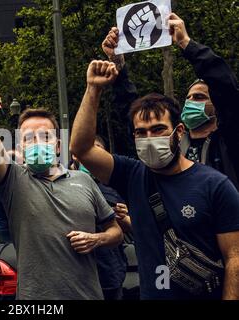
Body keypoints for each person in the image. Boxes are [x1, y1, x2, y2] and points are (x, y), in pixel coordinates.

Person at [70, 59, 239, 300]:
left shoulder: (215, 186)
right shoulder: (132, 175)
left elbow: (235, 257)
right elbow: (81, 148)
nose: (149, 138)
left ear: (179, 132)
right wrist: (93, 89)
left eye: (158, 129)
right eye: (141, 132)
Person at [0, 43, 124, 300]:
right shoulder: (14, 181)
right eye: (29, 138)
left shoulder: (84, 181)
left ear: (57, 145)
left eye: (44, 136)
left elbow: (116, 232)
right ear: (19, 145)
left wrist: (96, 239)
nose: (37, 142)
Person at [102, 13, 239, 189]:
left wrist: (186, 44)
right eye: (188, 97)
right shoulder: (171, 145)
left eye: (199, 97)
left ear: (217, 106)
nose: (190, 102)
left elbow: (225, 86)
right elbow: (134, 113)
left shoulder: (230, 139)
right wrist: (118, 67)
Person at [71, 136, 129, 300]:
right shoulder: (60, 184)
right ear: (76, 154)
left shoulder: (114, 187)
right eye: (86, 149)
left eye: (96, 150)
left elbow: (129, 229)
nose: (91, 155)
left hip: (108, 271)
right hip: (72, 274)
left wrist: (123, 217)